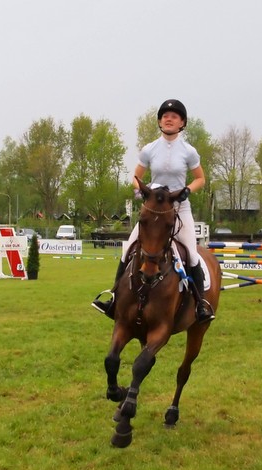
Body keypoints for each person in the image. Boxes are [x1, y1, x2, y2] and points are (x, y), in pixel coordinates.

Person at [93, 99, 212, 322]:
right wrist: (142, 193)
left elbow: (201, 179)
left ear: (182, 123)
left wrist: (187, 190)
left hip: (179, 207)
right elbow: (135, 179)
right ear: (159, 121)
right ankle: (114, 299)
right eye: (165, 115)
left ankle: (201, 304)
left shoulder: (189, 151)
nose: (169, 118)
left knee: (192, 254)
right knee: (128, 248)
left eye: (174, 116)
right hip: (154, 210)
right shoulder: (149, 149)